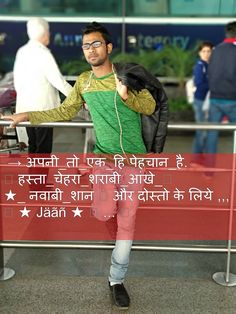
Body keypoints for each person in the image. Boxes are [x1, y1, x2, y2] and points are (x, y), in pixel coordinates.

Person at [2, 22, 168, 309]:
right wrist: (26, 114)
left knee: (128, 222)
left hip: (133, 162)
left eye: (96, 44)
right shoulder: (84, 82)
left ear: (108, 47)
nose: (91, 50)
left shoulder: (126, 76)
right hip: (103, 160)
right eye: (86, 46)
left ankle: (116, 279)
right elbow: (64, 110)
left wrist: (127, 94)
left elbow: (150, 107)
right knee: (105, 213)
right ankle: (121, 246)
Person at [13, 17, 72, 153]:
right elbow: (58, 81)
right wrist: (78, 97)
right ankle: (39, 174)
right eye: (48, 32)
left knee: (33, 145)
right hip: (42, 111)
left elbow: (17, 82)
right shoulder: (43, 54)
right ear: (44, 33)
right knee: (43, 149)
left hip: (25, 109)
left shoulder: (22, 52)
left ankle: (33, 174)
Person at [205, 21, 236, 167]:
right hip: (232, 99)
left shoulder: (216, 50)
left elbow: (210, 73)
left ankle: (209, 170)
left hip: (215, 99)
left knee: (212, 134)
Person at [191, 41, 213, 166]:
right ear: (200, 53)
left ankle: (198, 157)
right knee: (201, 131)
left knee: (203, 130)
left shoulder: (208, 65)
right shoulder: (200, 66)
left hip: (206, 101)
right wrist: (213, 84)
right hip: (200, 101)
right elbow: (199, 83)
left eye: (208, 51)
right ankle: (195, 159)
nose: (206, 54)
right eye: (204, 51)